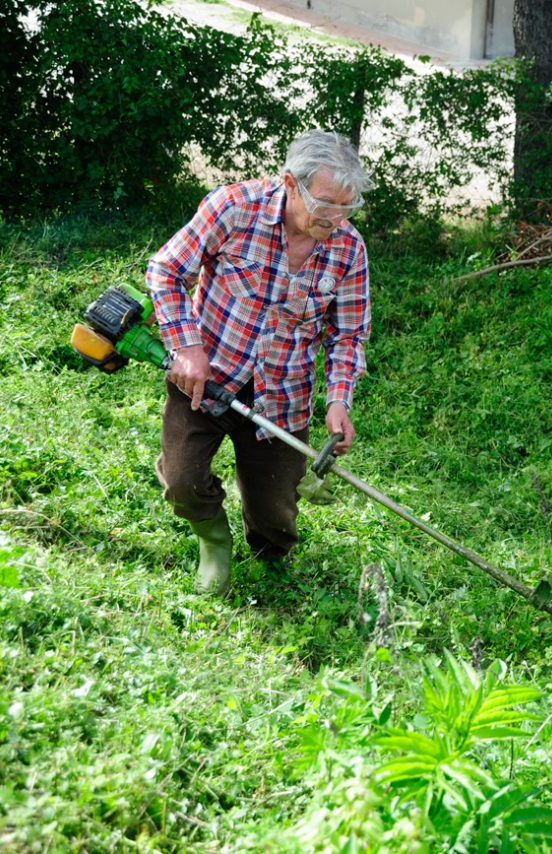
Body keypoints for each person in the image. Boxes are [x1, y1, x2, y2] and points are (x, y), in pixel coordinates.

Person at [146, 129, 372, 595]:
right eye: (327, 204)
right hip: (206, 377)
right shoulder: (233, 208)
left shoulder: (348, 249)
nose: (337, 218)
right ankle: (213, 541)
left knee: (276, 519)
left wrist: (338, 401)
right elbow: (166, 269)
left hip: (282, 394)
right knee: (184, 481)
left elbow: (347, 335)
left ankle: (271, 566)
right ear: (291, 183)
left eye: (347, 208)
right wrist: (187, 349)